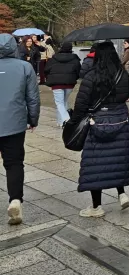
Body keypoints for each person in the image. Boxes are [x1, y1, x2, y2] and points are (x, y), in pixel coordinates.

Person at [73, 40, 129, 218]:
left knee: (96, 166)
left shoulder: (91, 76)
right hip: (121, 120)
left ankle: (96, 207)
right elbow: (128, 94)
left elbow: (81, 103)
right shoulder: (123, 75)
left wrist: (76, 120)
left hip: (97, 121)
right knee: (118, 160)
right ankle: (121, 194)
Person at [0, 33, 40, 226]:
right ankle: (15, 200)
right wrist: (33, 119)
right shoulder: (25, 67)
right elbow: (32, 97)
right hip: (14, 123)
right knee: (14, 163)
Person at [45, 41, 81, 126]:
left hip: (56, 83)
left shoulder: (54, 58)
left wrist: (50, 77)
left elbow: (46, 70)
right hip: (70, 83)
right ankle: (60, 122)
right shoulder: (75, 59)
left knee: (59, 103)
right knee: (64, 101)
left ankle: (66, 119)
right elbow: (78, 71)